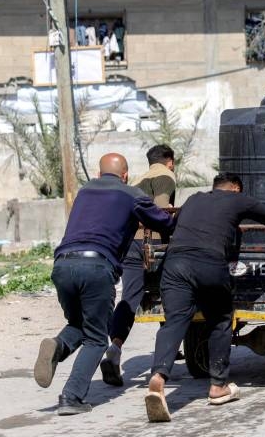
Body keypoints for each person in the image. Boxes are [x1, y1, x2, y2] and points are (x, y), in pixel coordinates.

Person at [33, 153, 175, 416]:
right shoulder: (130, 194)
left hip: (62, 264)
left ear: (98, 174)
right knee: (97, 339)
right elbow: (163, 221)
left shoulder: (85, 191)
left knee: (80, 324)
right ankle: (71, 397)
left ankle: (58, 346)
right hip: (97, 267)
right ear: (125, 175)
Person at [144, 173, 265, 423]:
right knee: (220, 318)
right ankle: (218, 385)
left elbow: (175, 225)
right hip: (208, 262)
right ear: (235, 188)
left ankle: (158, 377)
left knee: (175, 321)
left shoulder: (192, 199)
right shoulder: (237, 199)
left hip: (174, 264)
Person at [100, 144, 177, 387]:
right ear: (170, 161)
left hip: (130, 243)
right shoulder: (165, 175)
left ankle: (115, 347)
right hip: (151, 244)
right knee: (172, 291)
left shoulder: (137, 180)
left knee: (130, 297)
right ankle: (167, 354)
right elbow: (162, 207)